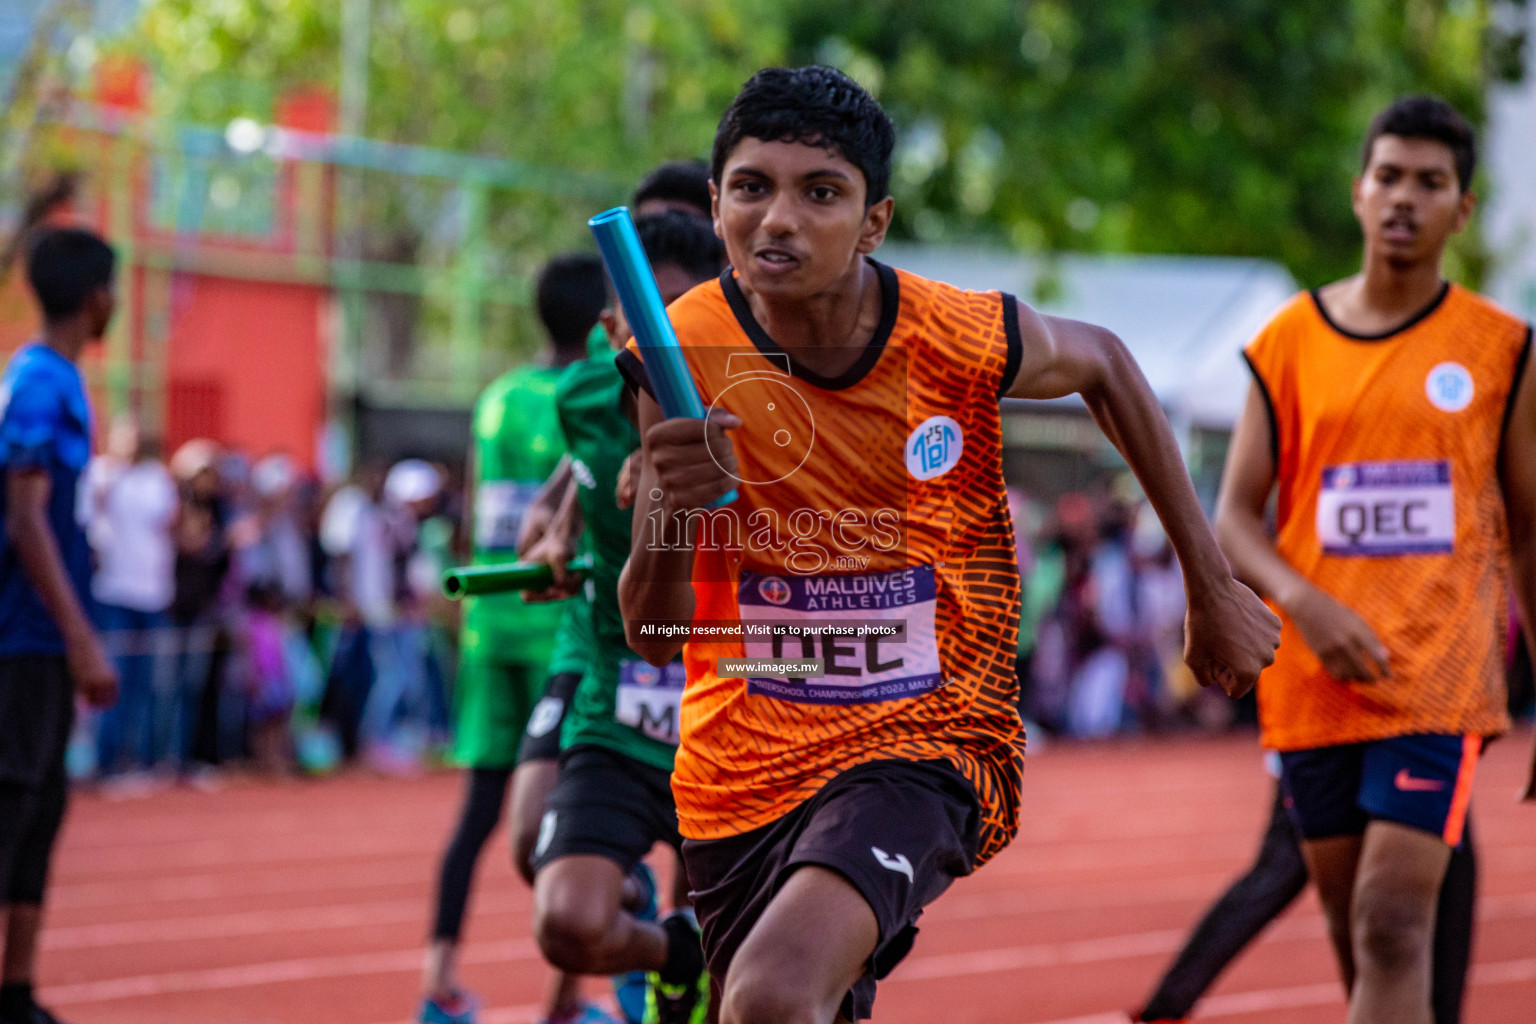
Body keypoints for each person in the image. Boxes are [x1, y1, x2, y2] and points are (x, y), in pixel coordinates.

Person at [615, 65, 1279, 1024]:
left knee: (770, 996)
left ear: (874, 222)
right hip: (739, 764)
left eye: (821, 193)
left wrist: (1208, 583)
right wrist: (673, 512)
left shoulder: (954, 336)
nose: (780, 220)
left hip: (927, 737)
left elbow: (1107, 362)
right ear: (715, 204)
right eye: (753, 188)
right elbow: (652, 633)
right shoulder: (681, 352)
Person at [1214, 95, 1536, 1024]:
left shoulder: (1500, 351)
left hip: (1437, 682)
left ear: (1460, 210)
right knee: (1362, 954)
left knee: (1393, 923)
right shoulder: (1286, 341)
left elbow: (1532, 527)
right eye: (1388, 176)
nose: (1404, 198)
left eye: (1430, 183)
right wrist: (1304, 605)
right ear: (1359, 192)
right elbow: (1234, 517)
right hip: (1312, 685)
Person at [524, 211, 728, 1024]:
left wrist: (676, 462)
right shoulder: (580, 399)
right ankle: (673, 951)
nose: (665, 337)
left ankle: (695, 971)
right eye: (646, 316)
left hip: (731, 692)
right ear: (610, 324)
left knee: (738, 946)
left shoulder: (755, 399)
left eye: (684, 315)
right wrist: (547, 533)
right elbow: (561, 490)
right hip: (618, 695)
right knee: (564, 914)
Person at [418, 254, 607, 1024]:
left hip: (487, 625)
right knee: (583, 813)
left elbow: (472, 511)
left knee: (476, 812)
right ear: (603, 321)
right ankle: (563, 999)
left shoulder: (496, 397)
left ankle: (437, 982)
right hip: (555, 629)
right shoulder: (585, 395)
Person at [0, 227, 120, 1024]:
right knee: (11, 809)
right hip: (23, 639)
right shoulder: (39, 382)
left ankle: (17, 991)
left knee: (40, 812)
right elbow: (27, 517)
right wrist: (79, 635)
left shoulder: (54, 379)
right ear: (96, 297)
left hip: (41, 638)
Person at [1132, 766, 1477, 1024]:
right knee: (1370, 917)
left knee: (1416, 893)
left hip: (1421, 716)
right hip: (1321, 728)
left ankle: (1168, 1004)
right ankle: (1168, 1005)